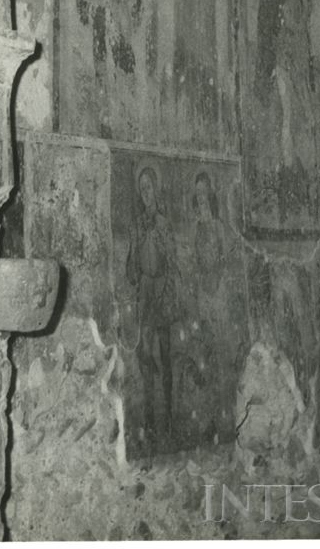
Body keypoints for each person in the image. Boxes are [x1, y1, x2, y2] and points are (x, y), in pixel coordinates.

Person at [125, 165, 176, 447]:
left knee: (165, 356)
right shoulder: (136, 226)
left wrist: (166, 288)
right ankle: (148, 419)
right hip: (145, 292)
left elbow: (172, 260)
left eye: (149, 187)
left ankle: (168, 415)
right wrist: (133, 256)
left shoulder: (163, 223)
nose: (146, 192)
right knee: (146, 358)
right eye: (142, 188)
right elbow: (130, 270)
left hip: (162, 292)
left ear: (156, 189)